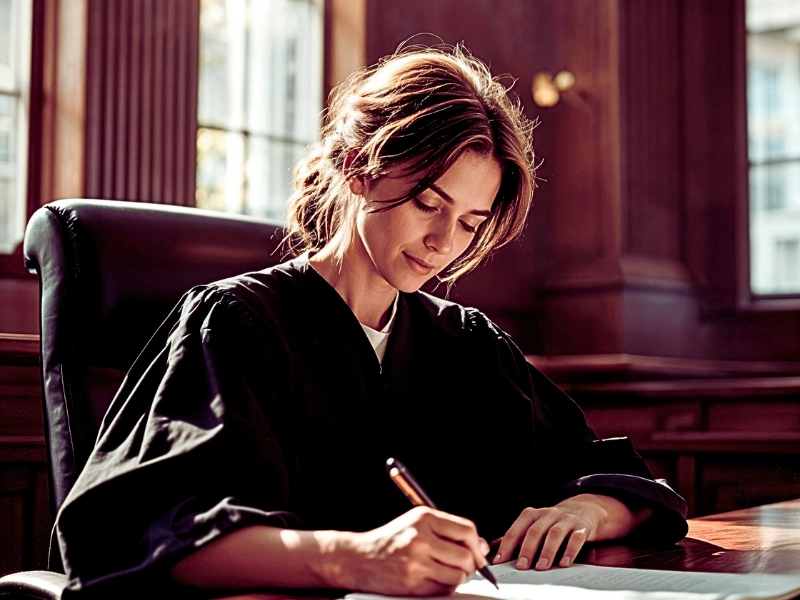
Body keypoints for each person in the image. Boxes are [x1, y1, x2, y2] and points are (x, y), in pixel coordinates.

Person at [55, 45, 687, 599]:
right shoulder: (237, 324)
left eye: (470, 223)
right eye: (427, 204)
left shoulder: (466, 344)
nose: (444, 242)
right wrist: (357, 560)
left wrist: (587, 509)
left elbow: (624, 483)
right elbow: (147, 534)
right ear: (359, 167)